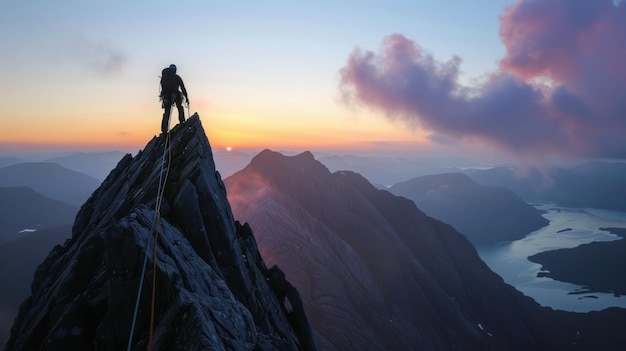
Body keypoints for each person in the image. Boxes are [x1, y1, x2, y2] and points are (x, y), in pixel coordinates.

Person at [160, 64, 189, 133]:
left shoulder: (165, 77)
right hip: (175, 94)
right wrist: (186, 97)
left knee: (167, 112)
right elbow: (182, 87)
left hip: (167, 96)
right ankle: (182, 121)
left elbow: (162, 86)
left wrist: (165, 94)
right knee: (179, 107)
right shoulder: (177, 78)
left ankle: (164, 130)